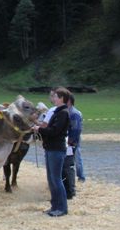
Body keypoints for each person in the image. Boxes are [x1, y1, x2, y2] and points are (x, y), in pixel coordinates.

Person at [32, 87, 71, 217]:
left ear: (62, 98)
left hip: (56, 149)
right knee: (51, 179)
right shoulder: (57, 111)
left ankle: (62, 208)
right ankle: (54, 206)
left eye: (55, 96)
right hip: (50, 148)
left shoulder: (63, 113)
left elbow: (54, 131)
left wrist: (39, 129)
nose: (53, 98)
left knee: (56, 179)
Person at [69, 95, 86, 182]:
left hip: (74, 140)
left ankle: (81, 177)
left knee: (77, 159)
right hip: (69, 139)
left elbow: (76, 129)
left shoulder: (74, 113)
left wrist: (71, 140)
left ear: (69, 101)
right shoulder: (68, 111)